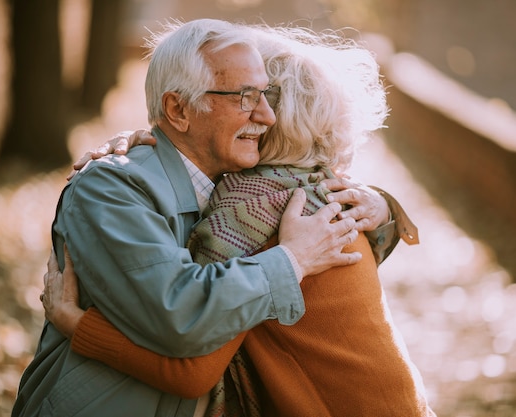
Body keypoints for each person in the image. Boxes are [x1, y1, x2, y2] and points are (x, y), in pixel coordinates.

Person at [40, 23, 435, 417]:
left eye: (266, 96)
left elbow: (192, 373)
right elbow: (183, 317)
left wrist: (76, 325)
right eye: (246, 97)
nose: (263, 114)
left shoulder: (256, 207)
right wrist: (296, 256)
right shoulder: (288, 197)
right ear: (178, 109)